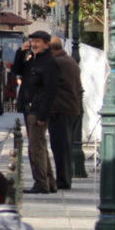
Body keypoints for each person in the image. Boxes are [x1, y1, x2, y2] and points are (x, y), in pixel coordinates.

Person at [21, 30, 57, 194]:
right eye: (33, 41)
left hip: (38, 110)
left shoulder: (49, 63)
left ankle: (41, 183)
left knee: (35, 149)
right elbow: (18, 70)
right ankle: (49, 182)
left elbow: (51, 91)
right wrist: (19, 53)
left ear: (46, 44)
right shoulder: (35, 60)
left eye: (38, 42)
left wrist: (43, 115)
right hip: (31, 108)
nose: (34, 44)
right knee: (40, 147)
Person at [48, 38, 81, 190]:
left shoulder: (58, 63)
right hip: (70, 108)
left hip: (61, 109)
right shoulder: (69, 61)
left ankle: (63, 180)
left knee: (60, 147)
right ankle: (64, 178)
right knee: (64, 146)